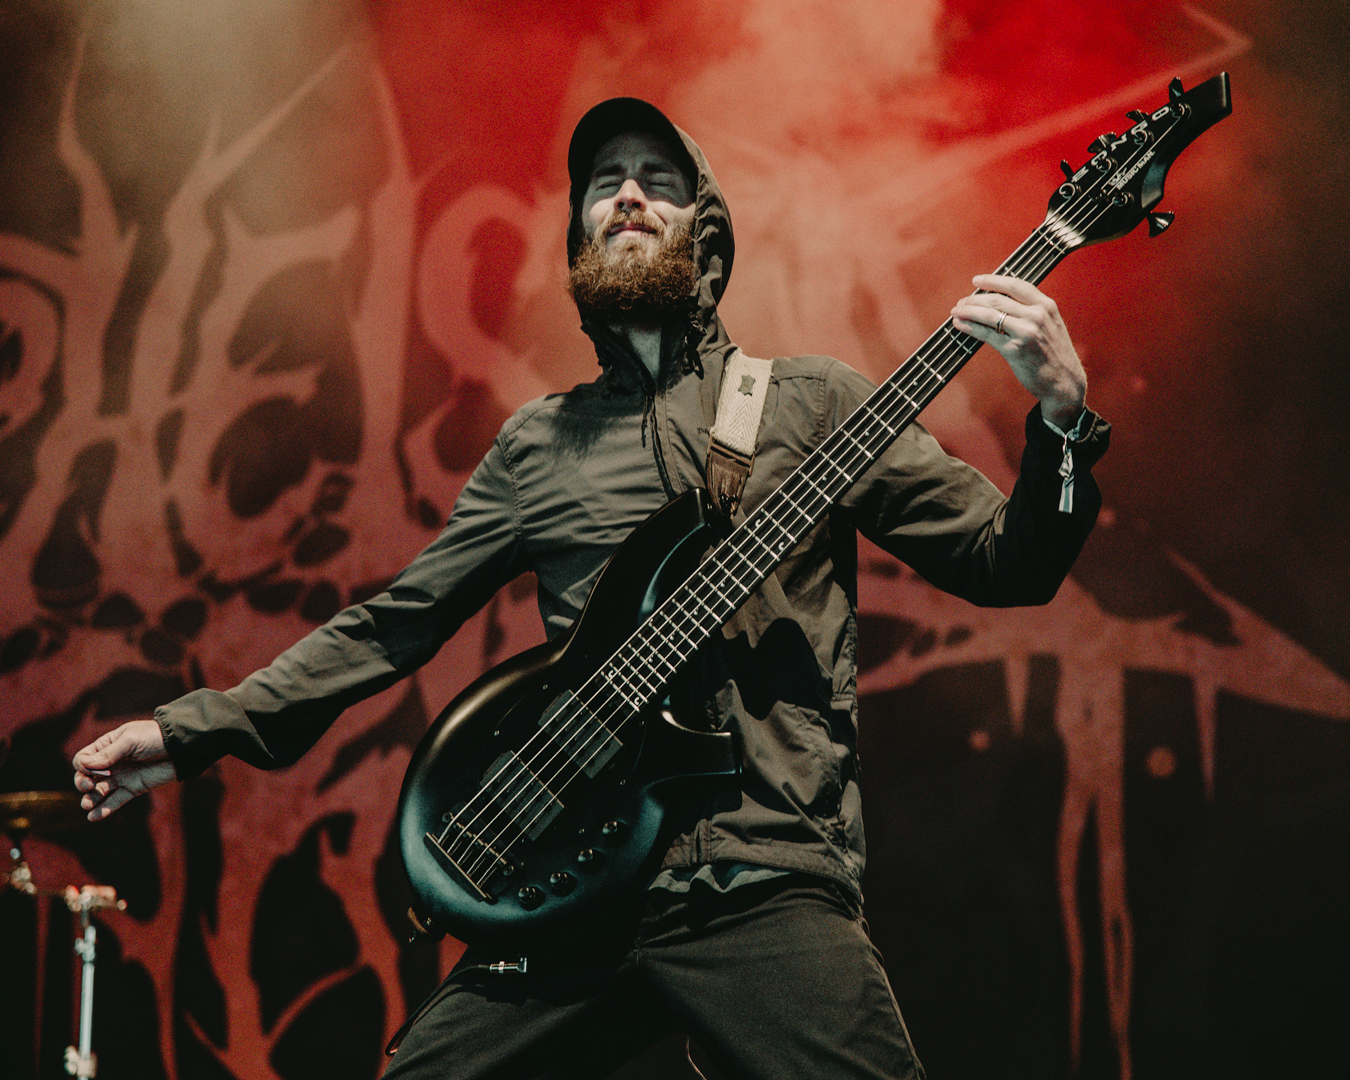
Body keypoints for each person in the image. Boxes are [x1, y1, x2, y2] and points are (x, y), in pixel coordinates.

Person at [73, 98, 1109, 1078]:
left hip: (762, 877)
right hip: (576, 879)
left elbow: (1007, 563)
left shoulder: (814, 405)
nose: (628, 195)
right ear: (578, 232)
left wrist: (1061, 422)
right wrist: (192, 730)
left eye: (658, 179)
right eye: (605, 181)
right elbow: (393, 626)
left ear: (706, 230)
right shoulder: (539, 446)